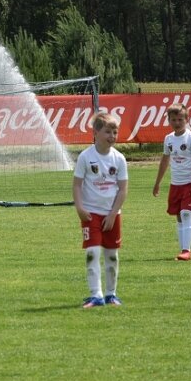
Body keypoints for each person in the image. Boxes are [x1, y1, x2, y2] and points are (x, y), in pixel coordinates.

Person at [73, 112, 129, 308]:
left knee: (111, 255)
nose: (112, 136)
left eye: (115, 132)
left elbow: (123, 189)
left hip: (112, 215)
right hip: (90, 213)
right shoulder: (85, 157)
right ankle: (96, 295)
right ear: (95, 132)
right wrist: (79, 207)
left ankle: (111, 294)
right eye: (108, 132)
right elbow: (77, 185)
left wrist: (113, 214)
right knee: (92, 252)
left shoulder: (119, 159)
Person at [152, 103, 191, 261]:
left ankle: (186, 251)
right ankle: (182, 250)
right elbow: (164, 161)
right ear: (169, 120)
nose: (177, 122)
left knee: (186, 213)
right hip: (176, 183)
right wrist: (157, 183)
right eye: (173, 119)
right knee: (179, 216)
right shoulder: (168, 139)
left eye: (180, 119)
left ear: (187, 119)